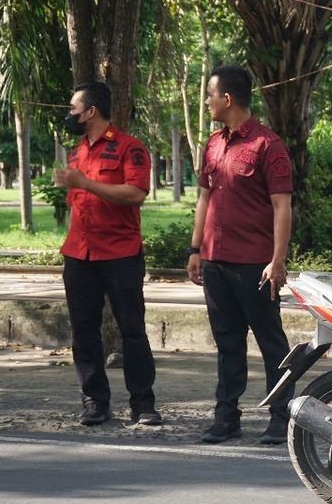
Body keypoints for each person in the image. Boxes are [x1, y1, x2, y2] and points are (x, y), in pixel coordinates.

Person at [186, 65, 294, 445]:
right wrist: (196, 249)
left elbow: (282, 207)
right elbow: (204, 198)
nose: (207, 102)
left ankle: (282, 418)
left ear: (227, 98)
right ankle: (226, 417)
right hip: (215, 261)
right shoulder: (213, 144)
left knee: (271, 343)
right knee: (227, 342)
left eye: (210, 95)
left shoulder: (268, 145)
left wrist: (277, 261)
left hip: (255, 265)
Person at [54, 82, 161, 427]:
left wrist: (85, 183)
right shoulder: (76, 153)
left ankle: (143, 405)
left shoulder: (131, 149)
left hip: (120, 255)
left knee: (132, 330)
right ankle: (94, 402)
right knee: (83, 331)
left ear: (91, 111)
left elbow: (135, 194)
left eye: (73, 109)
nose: (70, 115)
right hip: (79, 255)